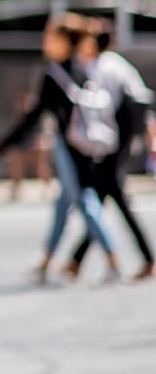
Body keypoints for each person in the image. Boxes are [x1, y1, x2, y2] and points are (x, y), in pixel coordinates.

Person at [0, 17, 122, 283]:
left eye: (50, 37)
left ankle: (112, 258)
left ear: (64, 41)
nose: (46, 42)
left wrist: (8, 143)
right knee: (64, 203)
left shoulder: (56, 73)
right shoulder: (83, 69)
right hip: (88, 144)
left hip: (68, 145)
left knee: (85, 201)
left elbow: (36, 114)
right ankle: (46, 262)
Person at [65, 19, 155, 280]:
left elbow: (101, 110)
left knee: (108, 193)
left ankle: (145, 258)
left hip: (113, 141)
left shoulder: (100, 68)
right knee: (105, 194)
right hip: (122, 139)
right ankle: (77, 259)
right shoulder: (119, 64)